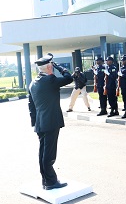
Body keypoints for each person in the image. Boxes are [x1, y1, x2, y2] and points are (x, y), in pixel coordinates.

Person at [28, 54, 73, 190]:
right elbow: (69, 78)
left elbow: (31, 106)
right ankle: (51, 182)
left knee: (43, 152)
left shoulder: (33, 83)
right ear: (48, 67)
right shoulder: (50, 80)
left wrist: (34, 123)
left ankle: (46, 180)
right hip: (51, 122)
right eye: (51, 65)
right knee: (49, 154)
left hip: (40, 124)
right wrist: (59, 67)